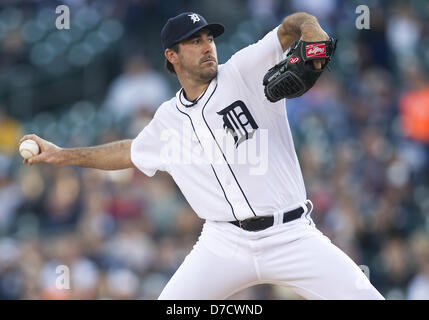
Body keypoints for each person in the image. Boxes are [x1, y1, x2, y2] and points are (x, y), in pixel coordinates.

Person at [20, 12, 384, 300]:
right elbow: (129, 151)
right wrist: (63, 155)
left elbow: (292, 25)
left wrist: (312, 29)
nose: (208, 46)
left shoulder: (244, 70)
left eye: (209, 38)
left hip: (291, 235)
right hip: (224, 244)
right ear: (172, 55)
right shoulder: (166, 119)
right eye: (195, 41)